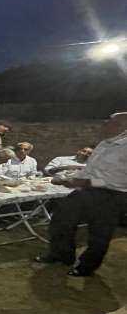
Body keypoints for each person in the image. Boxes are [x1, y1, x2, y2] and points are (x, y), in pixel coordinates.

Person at [35, 112, 127, 276]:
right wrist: (68, 179)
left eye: (112, 122)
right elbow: (89, 170)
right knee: (61, 218)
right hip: (88, 190)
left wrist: (86, 183)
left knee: (99, 233)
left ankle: (86, 267)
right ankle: (61, 255)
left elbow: (120, 181)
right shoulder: (105, 143)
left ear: (124, 127)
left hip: (112, 196)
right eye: (107, 121)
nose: (105, 124)